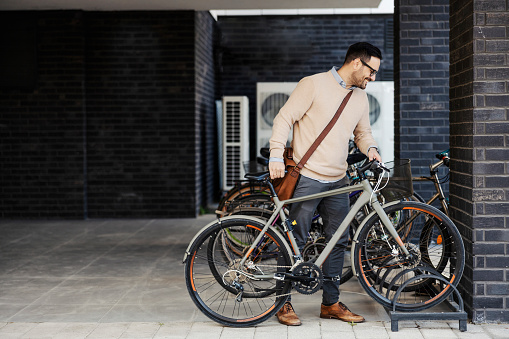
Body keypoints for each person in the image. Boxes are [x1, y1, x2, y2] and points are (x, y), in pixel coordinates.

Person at [268, 42, 383, 326]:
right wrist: (275, 154)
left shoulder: (359, 98)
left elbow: (362, 132)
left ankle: (330, 303)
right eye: (372, 71)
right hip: (307, 176)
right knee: (294, 240)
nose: (373, 77)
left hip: (338, 179)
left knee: (338, 241)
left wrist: (370, 148)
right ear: (356, 63)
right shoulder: (313, 84)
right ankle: (283, 304)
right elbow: (284, 118)